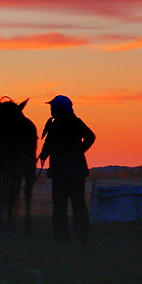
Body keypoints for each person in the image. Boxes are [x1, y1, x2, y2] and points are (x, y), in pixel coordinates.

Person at [38, 95, 96, 243]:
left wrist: (44, 154)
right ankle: (80, 233)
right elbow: (90, 137)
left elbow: (90, 137)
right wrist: (79, 151)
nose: (51, 110)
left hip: (61, 171)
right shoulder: (73, 123)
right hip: (73, 170)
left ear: (59, 108)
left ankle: (61, 236)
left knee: (60, 205)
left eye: (53, 107)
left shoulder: (57, 124)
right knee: (77, 204)